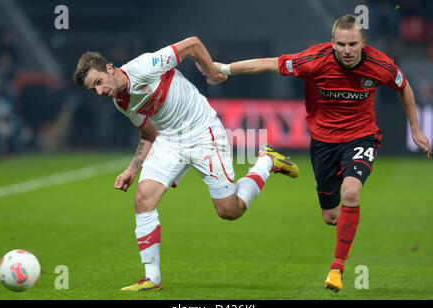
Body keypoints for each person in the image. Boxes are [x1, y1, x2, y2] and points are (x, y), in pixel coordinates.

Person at [211, 14, 431, 292]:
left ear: (363, 42)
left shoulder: (379, 64)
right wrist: (225, 68)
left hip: (361, 136)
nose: (347, 50)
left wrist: (416, 128)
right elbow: (268, 63)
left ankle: (337, 268)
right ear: (333, 42)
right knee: (331, 217)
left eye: (353, 44)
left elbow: (404, 86)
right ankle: (276, 163)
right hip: (323, 143)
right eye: (341, 44)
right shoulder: (314, 60)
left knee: (351, 192)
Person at [73, 36, 299, 291]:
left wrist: (213, 72)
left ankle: (267, 162)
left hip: (204, 133)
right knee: (143, 199)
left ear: (110, 69)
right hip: (170, 140)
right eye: (94, 89)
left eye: (99, 82)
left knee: (229, 211)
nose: (101, 92)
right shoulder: (121, 101)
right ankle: (152, 278)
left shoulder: (146, 66)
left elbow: (192, 44)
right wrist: (131, 170)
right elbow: (149, 134)